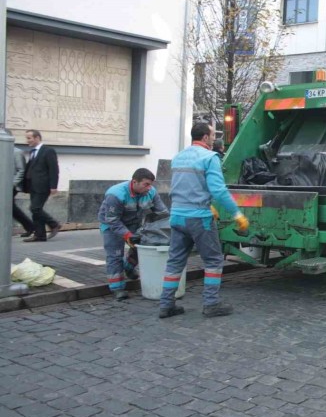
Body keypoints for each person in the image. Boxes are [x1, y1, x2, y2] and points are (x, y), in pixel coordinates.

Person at [158, 122, 248, 319]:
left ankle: (166, 305)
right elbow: (218, 190)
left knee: (175, 261)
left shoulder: (178, 157)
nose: (214, 138)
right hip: (199, 218)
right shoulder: (209, 157)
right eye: (212, 134)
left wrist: (208, 204)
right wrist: (237, 214)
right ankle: (211, 303)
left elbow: (185, 186)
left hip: (177, 216)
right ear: (206, 138)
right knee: (214, 259)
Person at [98, 168, 168, 301]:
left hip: (134, 223)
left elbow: (163, 212)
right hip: (111, 225)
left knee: (142, 246)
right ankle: (117, 288)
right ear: (135, 182)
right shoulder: (116, 194)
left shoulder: (151, 192)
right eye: (146, 184)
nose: (149, 188)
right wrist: (127, 235)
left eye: (151, 184)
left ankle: (129, 267)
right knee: (115, 255)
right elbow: (112, 220)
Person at [22, 129, 61, 242]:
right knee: (35, 209)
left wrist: (53, 186)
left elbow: (54, 169)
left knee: (35, 208)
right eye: (27, 138)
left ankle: (53, 224)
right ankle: (40, 235)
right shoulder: (32, 151)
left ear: (37, 138)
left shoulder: (48, 151)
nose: (27, 140)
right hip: (32, 186)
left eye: (29, 138)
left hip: (43, 186)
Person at [9, 131, 34, 237]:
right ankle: (30, 226)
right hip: (3, 185)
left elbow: (21, 170)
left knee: (10, 207)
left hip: (11, 186)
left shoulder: (16, 152)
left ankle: (30, 226)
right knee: (10, 208)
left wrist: (13, 184)